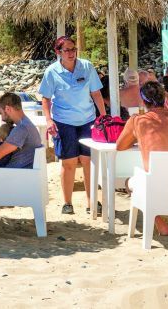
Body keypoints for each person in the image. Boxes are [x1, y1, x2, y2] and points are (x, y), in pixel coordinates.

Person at [116, 80, 168, 236]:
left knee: (129, 182)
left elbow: (120, 146)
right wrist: (167, 94)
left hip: (154, 183)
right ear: (164, 98)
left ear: (143, 101)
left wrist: (137, 135)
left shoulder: (138, 120)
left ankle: (160, 223)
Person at [39, 36, 104, 215]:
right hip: (63, 121)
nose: (71, 53)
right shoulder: (51, 71)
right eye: (66, 50)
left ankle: (92, 201)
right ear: (58, 52)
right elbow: (45, 98)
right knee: (68, 163)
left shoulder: (87, 66)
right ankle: (68, 203)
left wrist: (103, 117)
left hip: (88, 119)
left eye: (73, 49)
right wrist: (48, 120)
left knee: (87, 161)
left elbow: (96, 93)